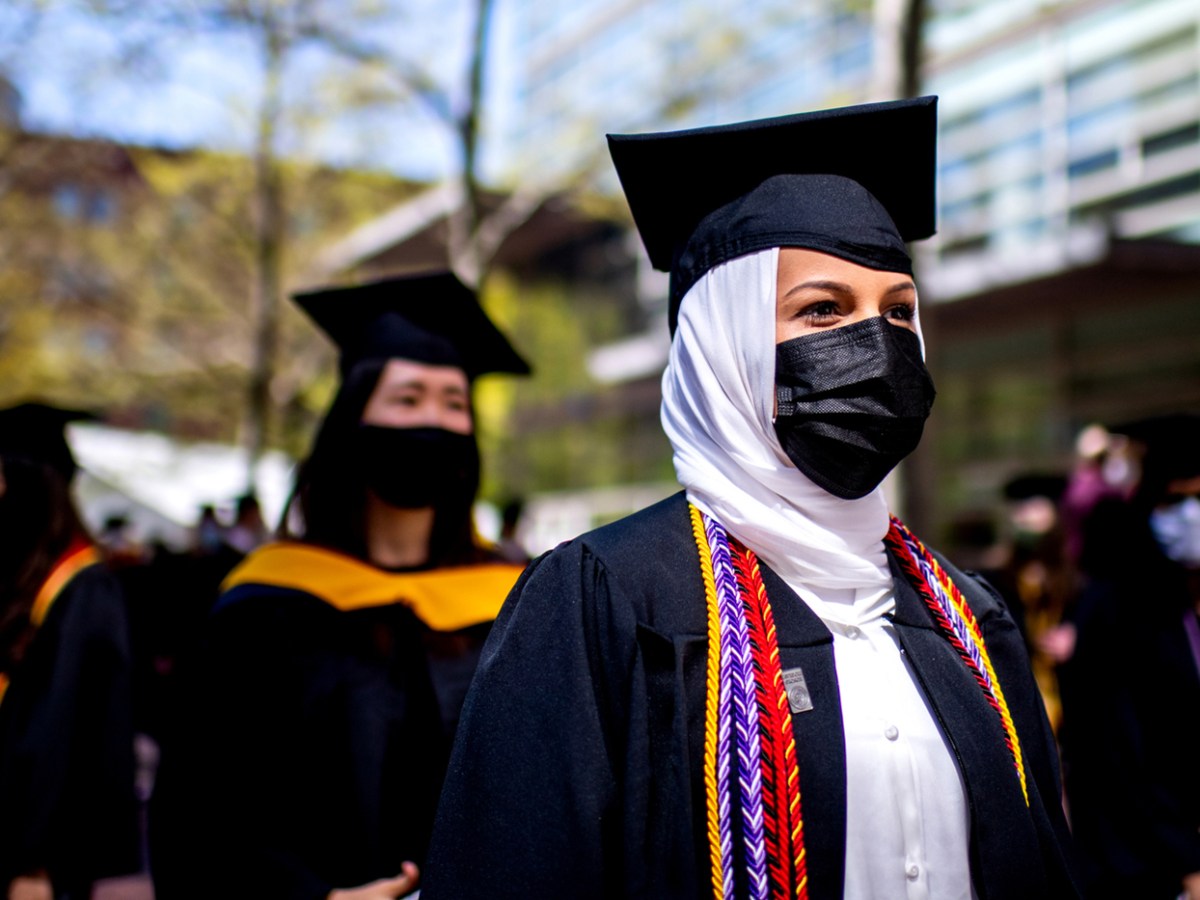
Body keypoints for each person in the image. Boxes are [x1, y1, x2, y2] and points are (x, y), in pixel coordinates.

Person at [422, 98, 1079, 899]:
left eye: (899, 312)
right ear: (723, 349)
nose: (876, 341)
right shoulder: (608, 599)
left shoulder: (965, 613)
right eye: (823, 310)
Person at [148, 270, 530, 900]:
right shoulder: (267, 605)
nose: (433, 420)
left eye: (453, 404)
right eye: (407, 400)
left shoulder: (516, 600)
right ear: (356, 418)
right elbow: (201, 807)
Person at [0, 402, 139, 900]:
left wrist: (34, 863)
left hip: (34, 863)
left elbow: (61, 737)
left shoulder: (80, 588)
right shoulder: (23, 579)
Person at [1058, 413, 1200, 900]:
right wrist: (1186, 863)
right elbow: (1116, 751)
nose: (1190, 516)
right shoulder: (1118, 606)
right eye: (1175, 500)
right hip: (1148, 866)